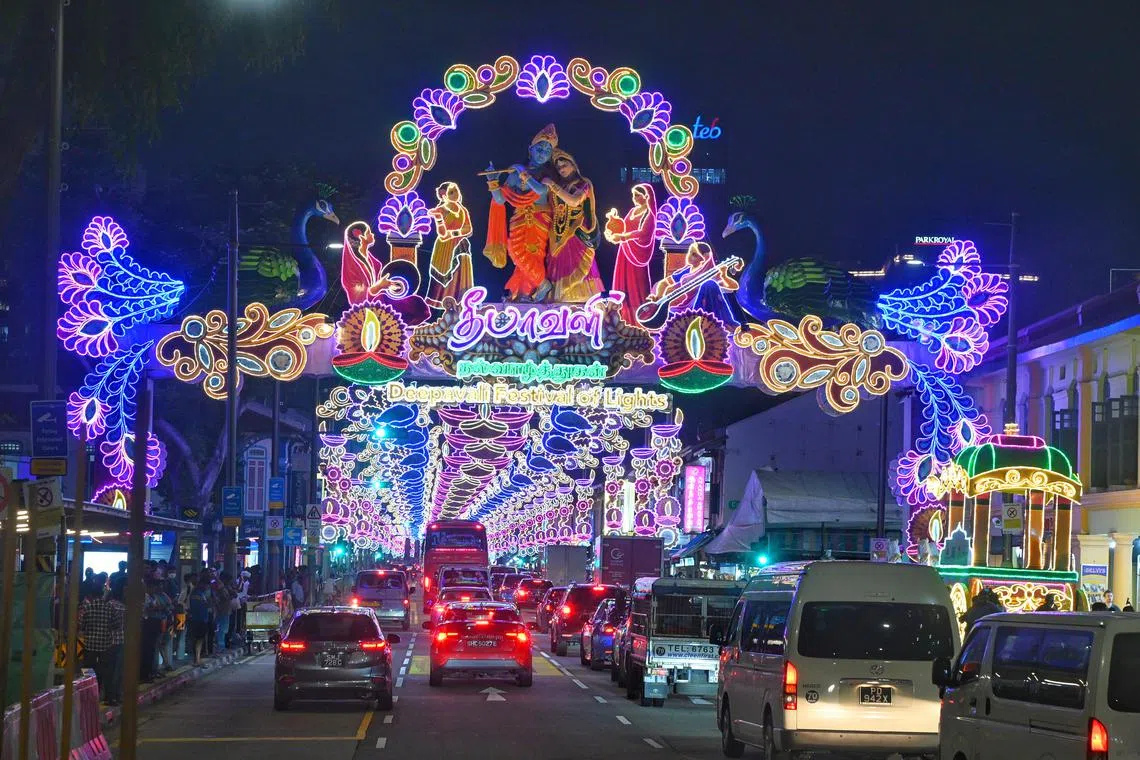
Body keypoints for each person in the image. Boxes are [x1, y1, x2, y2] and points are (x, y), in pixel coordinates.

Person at [483, 124, 557, 301]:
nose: (543, 152)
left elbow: (541, 191)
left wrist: (524, 172)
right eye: (540, 148)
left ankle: (542, 283)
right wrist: (492, 181)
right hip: (519, 217)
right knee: (516, 255)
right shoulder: (514, 173)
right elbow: (501, 199)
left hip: (539, 219)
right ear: (530, 150)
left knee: (532, 255)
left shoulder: (549, 174)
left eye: (547, 150)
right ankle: (523, 293)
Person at [542, 148, 605, 303]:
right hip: (556, 237)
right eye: (559, 167)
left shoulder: (584, 184)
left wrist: (551, 184)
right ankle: (558, 311)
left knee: (579, 271)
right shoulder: (558, 186)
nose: (562, 169)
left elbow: (574, 201)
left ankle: (582, 311)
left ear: (573, 165)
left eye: (565, 165)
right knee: (556, 271)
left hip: (577, 235)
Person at [605, 182, 658, 325]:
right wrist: (613, 221)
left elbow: (643, 233)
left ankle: (640, 318)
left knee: (638, 284)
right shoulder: (632, 211)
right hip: (625, 252)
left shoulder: (650, 214)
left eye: (637, 195)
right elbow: (623, 226)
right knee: (622, 281)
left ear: (646, 196)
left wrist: (622, 237)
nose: (634, 198)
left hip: (638, 254)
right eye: (633, 195)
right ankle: (621, 316)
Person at [426, 181, 474, 307]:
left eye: (456, 191)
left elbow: (468, 229)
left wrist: (453, 234)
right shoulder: (441, 210)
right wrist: (439, 219)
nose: (456, 194)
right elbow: (442, 234)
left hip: (460, 246)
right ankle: (440, 303)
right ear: (443, 196)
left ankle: (462, 302)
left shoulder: (463, 210)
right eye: (452, 192)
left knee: (461, 275)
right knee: (446, 274)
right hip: (445, 248)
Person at [78, 586, 123, 705]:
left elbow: (81, 624)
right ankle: (108, 697)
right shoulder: (110, 607)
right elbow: (117, 625)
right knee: (107, 671)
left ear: (92, 596)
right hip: (106, 645)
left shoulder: (87, 607)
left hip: (90, 645)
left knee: (88, 671)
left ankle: (89, 696)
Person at [187, 576, 211, 664]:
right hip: (198, 619)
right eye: (206, 585)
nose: (206, 587)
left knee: (199, 639)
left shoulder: (200, 593)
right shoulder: (197, 594)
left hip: (201, 618)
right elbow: (201, 606)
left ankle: (197, 658)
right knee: (198, 639)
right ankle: (196, 659)